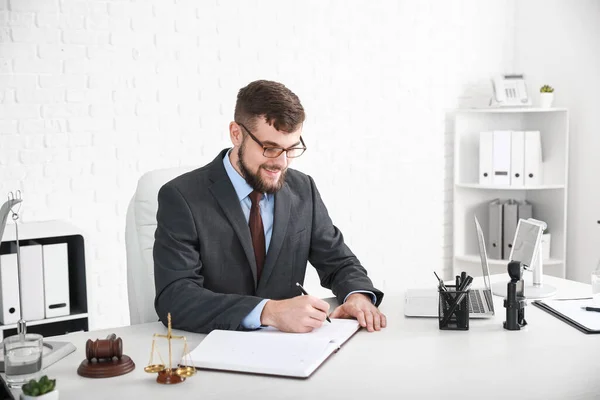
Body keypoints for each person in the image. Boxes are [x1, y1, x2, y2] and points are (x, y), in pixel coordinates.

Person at [153, 80, 386, 334]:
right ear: (236, 134)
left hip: (291, 351)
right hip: (212, 349)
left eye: (291, 149)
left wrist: (358, 297)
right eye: (270, 148)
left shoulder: (302, 189)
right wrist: (268, 312)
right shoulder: (181, 197)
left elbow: (338, 262)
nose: (282, 163)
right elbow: (175, 298)